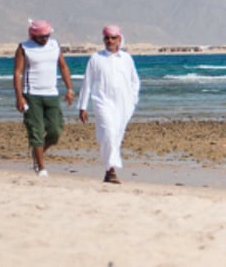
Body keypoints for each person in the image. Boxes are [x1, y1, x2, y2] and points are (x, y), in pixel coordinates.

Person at [78, 24, 140, 184]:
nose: (110, 41)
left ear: (119, 39)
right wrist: (82, 106)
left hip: (123, 104)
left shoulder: (127, 59)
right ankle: (111, 169)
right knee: (108, 133)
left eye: (113, 38)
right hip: (102, 101)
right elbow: (87, 83)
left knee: (116, 135)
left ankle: (108, 171)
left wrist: (133, 100)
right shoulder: (96, 58)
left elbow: (135, 81)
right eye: (107, 38)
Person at [13, 19, 74, 177]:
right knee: (36, 131)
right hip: (31, 94)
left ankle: (37, 152)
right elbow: (17, 73)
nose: (44, 39)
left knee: (55, 130)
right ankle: (41, 167)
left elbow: (63, 66)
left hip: (51, 94)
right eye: (41, 36)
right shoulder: (24, 48)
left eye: (47, 35)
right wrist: (19, 97)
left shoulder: (54, 46)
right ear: (33, 35)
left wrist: (69, 89)